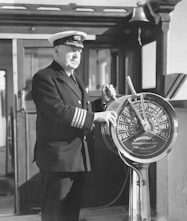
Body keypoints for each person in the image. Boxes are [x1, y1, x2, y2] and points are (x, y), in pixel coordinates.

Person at [31, 30, 117, 221]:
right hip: (58, 159)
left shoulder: (76, 78)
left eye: (79, 50)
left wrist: (102, 102)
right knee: (56, 213)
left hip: (77, 157)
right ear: (56, 52)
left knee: (71, 212)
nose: (76, 55)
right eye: (71, 49)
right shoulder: (44, 78)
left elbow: (81, 108)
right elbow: (58, 111)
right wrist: (95, 116)